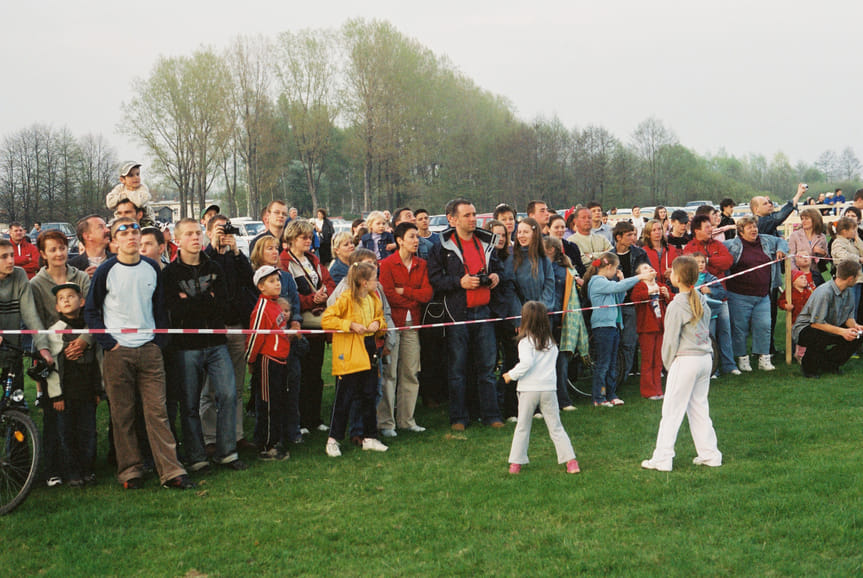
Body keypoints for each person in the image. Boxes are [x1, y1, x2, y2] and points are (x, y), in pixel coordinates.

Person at [83, 218, 194, 490]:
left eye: (135, 232)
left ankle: (171, 471)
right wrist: (109, 343)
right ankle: (130, 472)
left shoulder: (151, 268)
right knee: (123, 415)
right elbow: (91, 310)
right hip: (118, 353)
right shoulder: (106, 270)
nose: (131, 237)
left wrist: (159, 339)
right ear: (115, 240)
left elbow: (159, 308)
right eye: (125, 233)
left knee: (157, 412)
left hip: (149, 351)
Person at [162, 219, 247, 473]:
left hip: (216, 342)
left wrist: (192, 301)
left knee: (228, 395)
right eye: (189, 234)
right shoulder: (170, 274)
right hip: (187, 346)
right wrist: (204, 301)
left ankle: (227, 452)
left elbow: (224, 305)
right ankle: (197, 457)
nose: (196, 238)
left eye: (198, 233)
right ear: (178, 240)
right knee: (189, 403)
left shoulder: (215, 268)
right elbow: (175, 311)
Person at [427, 198, 505, 430]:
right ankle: (459, 418)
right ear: (452, 219)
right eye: (467, 215)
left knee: (487, 368)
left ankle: (491, 415)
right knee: (457, 370)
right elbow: (434, 279)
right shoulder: (441, 246)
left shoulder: (486, 242)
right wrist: (459, 282)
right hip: (457, 315)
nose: (473, 219)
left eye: (474, 214)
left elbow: (498, 268)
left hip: (484, 313)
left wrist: (495, 277)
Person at [641, 255, 722, 472]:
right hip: (704, 359)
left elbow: (670, 339)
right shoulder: (701, 299)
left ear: (677, 277)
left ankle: (662, 458)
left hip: (686, 360)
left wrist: (668, 365)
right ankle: (710, 454)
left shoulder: (678, 304)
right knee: (699, 408)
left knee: (672, 412)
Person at [201, 215, 259, 454]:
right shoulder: (205, 256)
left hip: (235, 326)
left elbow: (250, 279)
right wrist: (213, 247)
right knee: (210, 388)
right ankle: (210, 438)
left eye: (226, 230)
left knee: (235, 385)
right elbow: (203, 273)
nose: (223, 234)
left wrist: (235, 252)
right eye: (218, 230)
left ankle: (236, 434)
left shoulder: (234, 256)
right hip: (214, 328)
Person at [503, 301, 579, 475]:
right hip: (548, 389)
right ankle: (571, 462)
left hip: (529, 389)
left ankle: (516, 463)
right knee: (556, 426)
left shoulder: (525, 342)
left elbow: (527, 363)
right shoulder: (551, 343)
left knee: (523, 426)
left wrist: (510, 375)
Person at [321, 261, 389, 457]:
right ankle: (333, 439)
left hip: (369, 350)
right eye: (375, 279)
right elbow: (327, 319)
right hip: (350, 354)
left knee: (369, 394)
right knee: (345, 397)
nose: (377, 282)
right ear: (363, 282)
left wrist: (378, 323)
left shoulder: (374, 298)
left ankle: (370, 437)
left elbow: (380, 317)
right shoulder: (345, 299)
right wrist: (349, 324)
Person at [378, 222, 433, 436]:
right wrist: (413, 296)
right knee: (389, 374)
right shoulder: (387, 264)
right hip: (393, 324)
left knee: (411, 372)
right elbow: (389, 294)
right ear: (399, 240)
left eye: (417, 237)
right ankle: (385, 423)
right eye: (411, 236)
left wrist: (407, 292)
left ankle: (406, 420)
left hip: (413, 325)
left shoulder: (422, 264)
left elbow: (427, 294)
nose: (416, 240)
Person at [280, 219, 336, 432]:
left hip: (318, 324)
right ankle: (300, 419)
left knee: (315, 373)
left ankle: (314, 417)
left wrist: (323, 296)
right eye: (303, 237)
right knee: (299, 375)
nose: (308, 240)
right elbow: (288, 296)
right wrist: (311, 300)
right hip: (300, 324)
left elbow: (329, 282)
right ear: (292, 239)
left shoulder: (313, 259)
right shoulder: (284, 261)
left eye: (310, 236)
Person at [44, 283, 102, 487]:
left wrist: (97, 389)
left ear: (82, 301)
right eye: (62, 298)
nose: (67, 300)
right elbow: (52, 366)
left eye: (71, 296)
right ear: (57, 307)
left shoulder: (89, 330)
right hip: (64, 394)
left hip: (86, 392)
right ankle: (71, 472)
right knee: (65, 434)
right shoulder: (53, 331)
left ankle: (87, 470)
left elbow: (97, 361)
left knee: (87, 432)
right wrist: (56, 396)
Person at [584, 252, 654, 407]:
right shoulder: (597, 281)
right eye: (615, 269)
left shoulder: (608, 283)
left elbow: (620, 297)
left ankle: (611, 394)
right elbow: (616, 288)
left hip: (613, 325)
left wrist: (622, 281)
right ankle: (598, 397)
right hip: (602, 327)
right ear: (608, 267)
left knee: (612, 362)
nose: (615, 272)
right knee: (603, 363)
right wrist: (639, 277)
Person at [723, 216, 788, 372]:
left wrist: (781, 249)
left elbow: (782, 241)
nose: (754, 230)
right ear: (740, 231)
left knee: (764, 325)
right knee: (740, 328)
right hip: (738, 295)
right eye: (749, 227)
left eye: (755, 226)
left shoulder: (765, 240)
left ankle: (763, 358)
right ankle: (742, 358)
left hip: (763, 295)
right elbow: (716, 250)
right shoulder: (732, 245)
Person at [245, 265, 292, 461]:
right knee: (268, 403)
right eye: (271, 281)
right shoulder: (262, 308)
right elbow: (255, 337)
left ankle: (273, 439)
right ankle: (268, 446)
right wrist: (251, 359)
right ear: (261, 286)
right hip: (268, 361)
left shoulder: (275, 305)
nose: (277, 284)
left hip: (280, 360)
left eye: (278, 280)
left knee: (277, 402)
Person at [683, 214, 737, 375]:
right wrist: (712, 263)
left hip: (720, 297)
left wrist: (707, 260)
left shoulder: (718, 244)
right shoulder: (690, 248)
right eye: (707, 227)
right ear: (697, 230)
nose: (711, 230)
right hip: (700, 302)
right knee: (707, 334)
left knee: (725, 330)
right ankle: (711, 367)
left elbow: (728, 261)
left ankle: (729, 364)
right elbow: (689, 269)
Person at [792, 259, 862, 378]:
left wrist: (856, 327)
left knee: (857, 336)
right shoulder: (824, 292)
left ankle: (830, 364)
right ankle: (809, 369)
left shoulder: (848, 291)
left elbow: (848, 317)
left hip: (829, 326)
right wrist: (843, 332)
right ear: (851, 278)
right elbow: (816, 324)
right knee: (817, 336)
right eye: (858, 276)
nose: (859, 279)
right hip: (806, 328)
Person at [611, 220, 650, 380]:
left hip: (633, 303)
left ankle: (624, 376)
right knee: (615, 342)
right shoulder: (610, 256)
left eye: (634, 234)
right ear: (618, 237)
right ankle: (616, 374)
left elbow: (647, 274)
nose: (633, 238)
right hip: (615, 304)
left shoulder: (640, 254)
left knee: (629, 341)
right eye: (628, 235)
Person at [543, 236, 578, 412]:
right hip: (549, 318)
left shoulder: (562, 270)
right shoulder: (545, 267)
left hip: (559, 320)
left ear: (550, 250)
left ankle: (562, 399)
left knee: (561, 362)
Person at [630, 263, 671, 399]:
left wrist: (667, 295)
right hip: (647, 328)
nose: (649, 269)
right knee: (648, 360)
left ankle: (658, 390)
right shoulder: (639, 286)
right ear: (640, 275)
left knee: (658, 360)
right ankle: (648, 391)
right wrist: (648, 292)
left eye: (650, 267)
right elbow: (635, 298)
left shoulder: (661, 285)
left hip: (660, 326)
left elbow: (672, 299)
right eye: (645, 268)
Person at [513, 217, 555, 311]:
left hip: (543, 313)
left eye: (526, 232)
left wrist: (540, 308)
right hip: (522, 315)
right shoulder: (512, 259)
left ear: (534, 234)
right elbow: (511, 291)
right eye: (519, 232)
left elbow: (549, 285)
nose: (521, 236)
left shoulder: (544, 260)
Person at [829, 216, 863, 319]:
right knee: (848, 309)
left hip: (857, 279)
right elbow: (842, 256)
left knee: (855, 307)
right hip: (847, 280)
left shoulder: (851, 242)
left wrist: (857, 239)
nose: (854, 232)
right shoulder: (837, 243)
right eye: (853, 229)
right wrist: (859, 259)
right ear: (844, 231)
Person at [779, 270, 814, 362]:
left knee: (804, 336)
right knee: (796, 337)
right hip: (794, 319)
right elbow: (780, 301)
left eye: (805, 278)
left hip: (806, 320)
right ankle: (797, 354)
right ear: (794, 281)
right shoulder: (790, 292)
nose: (805, 280)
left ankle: (801, 354)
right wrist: (785, 306)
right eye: (801, 278)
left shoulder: (808, 292)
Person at [788, 208, 828, 273]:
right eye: (802, 219)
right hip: (799, 274)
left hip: (816, 274)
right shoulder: (795, 236)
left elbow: (827, 261)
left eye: (806, 219)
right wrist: (797, 274)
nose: (803, 221)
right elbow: (790, 258)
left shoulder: (822, 237)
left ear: (815, 220)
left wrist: (823, 253)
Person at [640, 219, 678, 284]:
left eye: (659, 229)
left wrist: (673, 271)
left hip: (670, 284)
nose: (657, 232)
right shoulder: (643, 252)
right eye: (654, 230)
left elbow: (678, 267)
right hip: (652, 285)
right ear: (648, 234)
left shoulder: (671, 249)